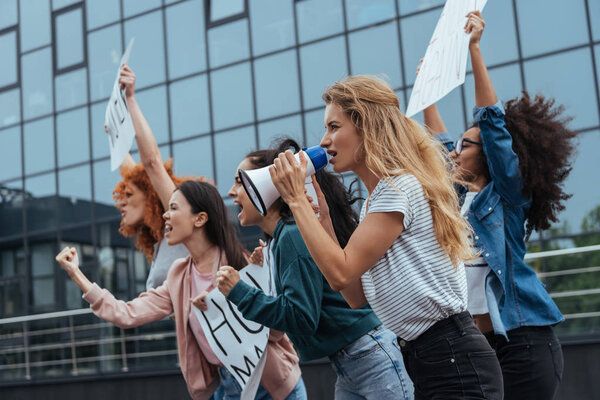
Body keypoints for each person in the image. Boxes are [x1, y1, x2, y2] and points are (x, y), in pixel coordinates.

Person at [263, 37, 506, 400]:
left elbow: (342, 271)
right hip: (432, 360)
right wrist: (325, 219)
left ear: (366, 126)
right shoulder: (379, 200)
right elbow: (355, 295)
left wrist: (296, 200)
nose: (324, 140)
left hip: (452, 360)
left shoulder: (397, 190)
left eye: (334, 127)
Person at [421, 11, 571, 400]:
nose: (454, 150)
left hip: (524, 342)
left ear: (487, 154)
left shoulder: (507, 196)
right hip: (483, 347)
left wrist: (474, 50)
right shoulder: (458, 201)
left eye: (464, 145)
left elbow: (491, 121)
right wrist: (429, 91)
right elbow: (438, 144)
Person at [56, 180, 305, 400]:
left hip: (271, 385)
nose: (166, 215)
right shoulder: (178, 276)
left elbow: (274, 334)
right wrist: (76, 274)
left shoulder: (240, 265)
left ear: (200, 218)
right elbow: (126, 314)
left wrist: (239, 295)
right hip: (228, 386)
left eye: (174, 208)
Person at [211, 138, 414, 400]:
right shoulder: (281, 240)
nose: (231, 191)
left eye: (241, 181)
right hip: (352, 360)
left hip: (368, 356)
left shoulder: (292, 236)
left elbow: (301, 317)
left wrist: (239, 292)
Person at [113, 64, 200, 290]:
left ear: (152, 195)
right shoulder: (165, 238)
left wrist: (130, 99)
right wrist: (114, 132)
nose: (121, 201)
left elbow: (151, 163)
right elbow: (131, 170)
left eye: (129, 194)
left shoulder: (181, 220)